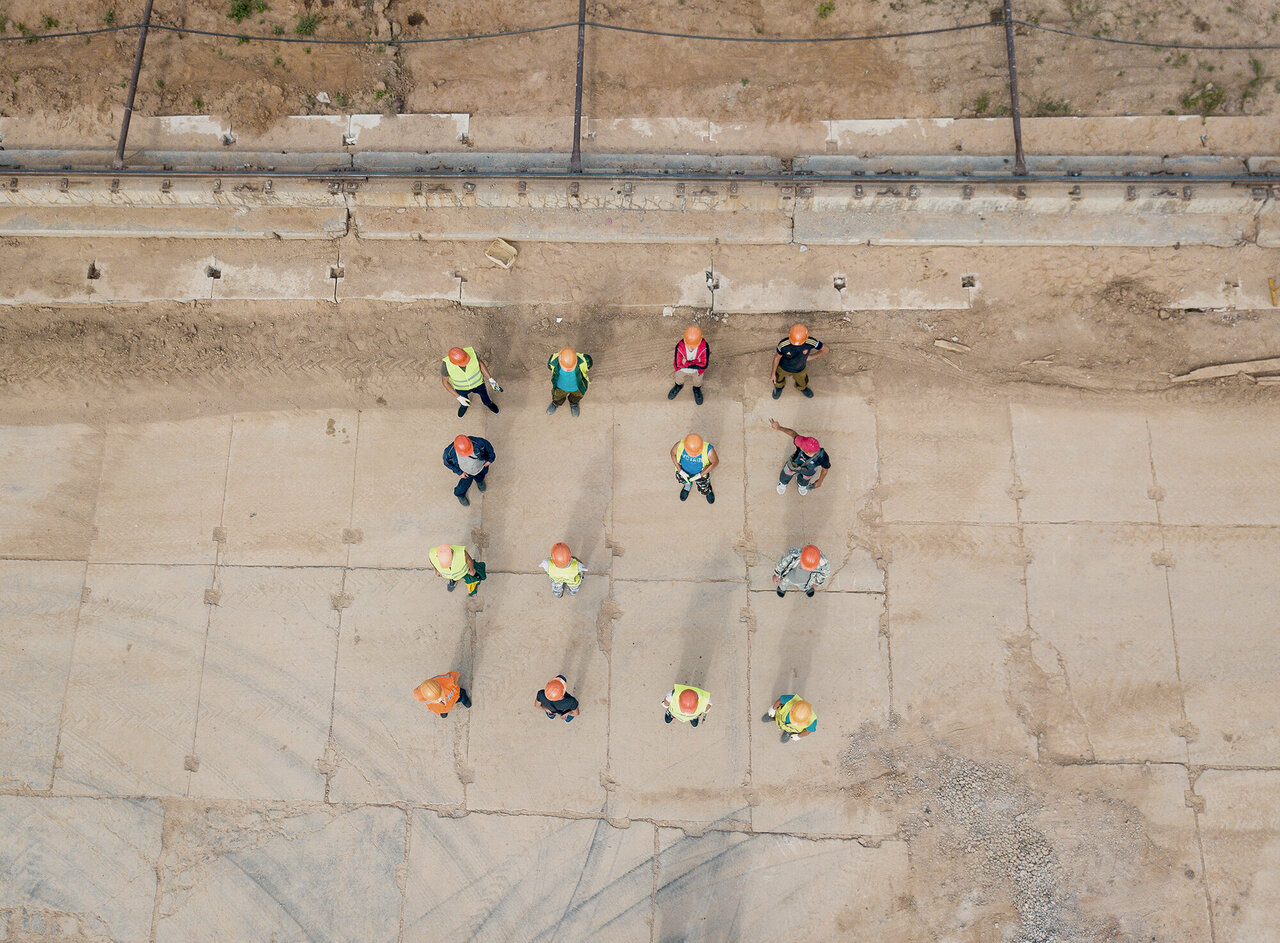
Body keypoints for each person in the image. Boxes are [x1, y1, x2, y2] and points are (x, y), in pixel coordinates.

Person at [769, 419, 831, 495]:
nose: (799, 444)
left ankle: (801, 484)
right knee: (786, 474)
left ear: (806, 451)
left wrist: (820, 481)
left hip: (808, 471)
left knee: (806, 478)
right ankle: (783, 483)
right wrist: (779, 427)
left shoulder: (822, 456)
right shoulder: (803, 442)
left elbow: (825, 469)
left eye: (801, 446)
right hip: (793, 465)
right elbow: (793, 434)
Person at [441, 346, 501, 418]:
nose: (466, 363)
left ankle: (488, 403)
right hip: (461, 389)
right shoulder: (446, 365)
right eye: (463, 363)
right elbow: (445, 383)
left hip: (479, 384)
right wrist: (458, 397)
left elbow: (480, 364)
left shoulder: (472, 353)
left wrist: (490, 379)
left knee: (486, 398)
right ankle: (464, 406)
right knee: (464, 401)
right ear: (455, 363)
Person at [771, 323, 825, 399]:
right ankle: (779, 387)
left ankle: (802, 388)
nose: (796, 345)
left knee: (802, 381)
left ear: (806, 337)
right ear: (789, 335)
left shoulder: (811, 342)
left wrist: (812, 357)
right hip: (783, 368)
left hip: (800, 369)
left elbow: (825, 349)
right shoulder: (783, 344)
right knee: (778, 379)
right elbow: (777, 358)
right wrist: (773, 373)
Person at [442, 434, 496, 507]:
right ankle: (460, 494)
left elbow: (489, 449)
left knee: (481, 476)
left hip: (481, 466)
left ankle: (479, 481)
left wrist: (490, 460)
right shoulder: (449, 453)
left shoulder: (479, 442)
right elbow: (447, 463)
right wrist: (460, 472)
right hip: (466, 473)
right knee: (464, 485)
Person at [670, 433, 718, 504]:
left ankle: (707, 490)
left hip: (701, 474)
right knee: (684, 480)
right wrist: (680, 470)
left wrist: (700, 475)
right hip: (683, 471)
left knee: (704, 485)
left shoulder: (709, 450)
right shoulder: (679, 445)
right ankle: (687, 485)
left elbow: (715, 462)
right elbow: (672, 453)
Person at [668, 325, 709, 404]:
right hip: (682, 370)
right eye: (689, 345)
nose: (691, 348)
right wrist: (697, 361)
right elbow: (678, 364)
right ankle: (678, 385)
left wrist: (686, 363)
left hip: (697, 371)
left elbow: (704, 365)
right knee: (679, 378)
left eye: (694, 346)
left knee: (698, 381)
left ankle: (696, 389)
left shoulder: (704, 346)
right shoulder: (679, 346)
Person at [546, 346, 592, 417]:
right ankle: (556, 402)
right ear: (559, 359)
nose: (568, 370)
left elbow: (589, 363)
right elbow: (549, 366)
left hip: (578, 388)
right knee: (557, 396)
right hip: (560, 387)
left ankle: (574, 403)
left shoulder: (584, 360)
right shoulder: (553, 360)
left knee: (576, 396)